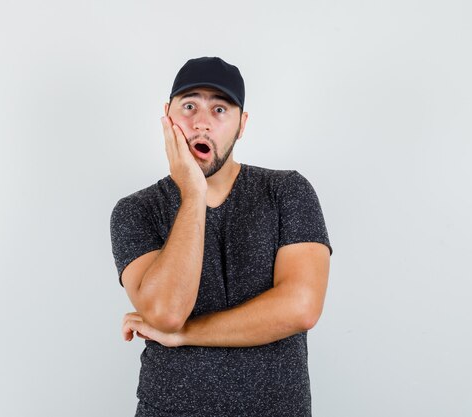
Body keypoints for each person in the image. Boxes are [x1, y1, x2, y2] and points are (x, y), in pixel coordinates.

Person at [110, 56, 333, 417]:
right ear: (167, 116)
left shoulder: (287, 191)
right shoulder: (136, 210)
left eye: (219, 109)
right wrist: (193, 193)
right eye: (189, 106)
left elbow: (301, 307)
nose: (201, 123)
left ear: (241, 124)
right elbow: (166, 313)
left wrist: (185, 335)